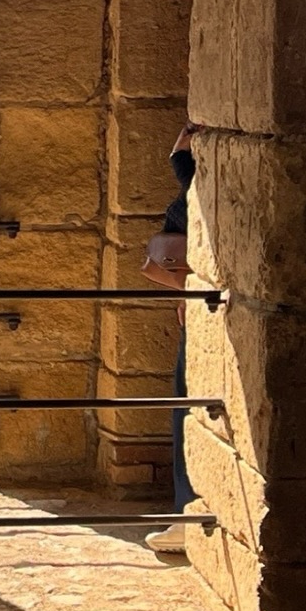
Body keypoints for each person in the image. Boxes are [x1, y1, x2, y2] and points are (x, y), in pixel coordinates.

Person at [141, 122, 199, 555]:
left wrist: (183, 166)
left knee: (187, 400)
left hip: (199, 305)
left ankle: (188, 512)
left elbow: (185, 212)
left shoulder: (195, 178)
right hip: (198, 300)